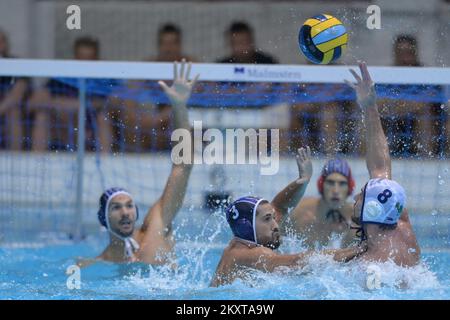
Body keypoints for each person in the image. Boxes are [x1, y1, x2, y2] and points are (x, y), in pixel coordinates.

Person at [78, 60, 199, 266]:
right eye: (116, 207)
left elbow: (183, 165)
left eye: (129, 206)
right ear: (102, 218)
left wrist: (179, 107)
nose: (125, 212)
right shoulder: (95, 264)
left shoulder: (156, 226)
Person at [210, 147, 366, 287]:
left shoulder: (242, 241)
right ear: (247, 226)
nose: (276, 225)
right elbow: (297, 262)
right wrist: (355, 250)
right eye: (267, 219)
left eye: (273, 218)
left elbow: (280, 206)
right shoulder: (252, 254)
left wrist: (302, 181)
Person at [346, 62, 420, 266]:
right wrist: (370, 106)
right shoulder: (401, 225)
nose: (355, 196)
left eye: (362, 194)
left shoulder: (369, 264)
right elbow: (380, 166)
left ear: (371, 209)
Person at [28, 36, 112, 152]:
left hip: (90, 129)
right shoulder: (62, 78)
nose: (84, 62)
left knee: (103, 118)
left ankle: (104, 163)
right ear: (75, 56)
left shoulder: (103, 80)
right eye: (81, 58)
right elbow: (32, 104)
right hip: (63, 128)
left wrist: (63, 102)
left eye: (89, 58)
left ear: (96, 58)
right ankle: (35, 162)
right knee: (42, 116)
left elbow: (108, 103)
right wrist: (64, 104)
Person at [283, 158, 357, 248]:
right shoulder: (300, 211)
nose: (336, 190)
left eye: (342, 183)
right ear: (321, 185)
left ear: (349, 187)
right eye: (330, 182)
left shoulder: (356, 217)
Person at [0, 29, 28, 150]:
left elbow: (19, 91)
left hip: (11, 112)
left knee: (14, 112)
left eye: (1, 40)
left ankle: (15, 160)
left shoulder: (15, 63)